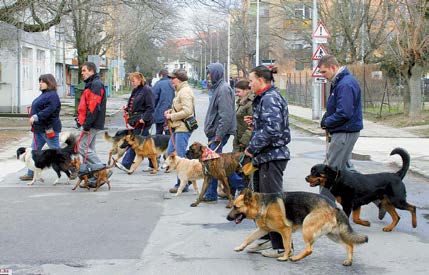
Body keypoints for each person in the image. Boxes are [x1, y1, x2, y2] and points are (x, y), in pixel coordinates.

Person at [244, 65, 291, 258]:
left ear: (261, 81)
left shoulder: (270, 98)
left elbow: (272, 131)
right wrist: (255, 124)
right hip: (265, 157)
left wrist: (251, 148)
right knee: (264, 202)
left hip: (272, 156)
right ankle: (268, 239)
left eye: (251, 80)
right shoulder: (265, 97)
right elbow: (269, 125)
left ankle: (282, 247)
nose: (249, 84)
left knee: (273, 204)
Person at [319, 55, 363, 195]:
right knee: (346, 169)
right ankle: (377, 197)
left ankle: (324, 207)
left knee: (329, 171)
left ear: (333, 67)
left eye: (324, 72)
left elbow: (344, 113)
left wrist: (327, 122)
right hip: (345, 131)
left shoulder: (345, 84)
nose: (323, 76)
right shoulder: (340, 82)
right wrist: (328, 116)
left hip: (344, 132)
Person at [202, 62, 236, 202]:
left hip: (218, 134)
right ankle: (211, 194)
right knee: (213, 164)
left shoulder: (223, 89)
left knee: (214, 164)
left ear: (216, 73)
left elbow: (226, 115)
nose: (208, 76)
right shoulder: (218, 88)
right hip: (215, 132)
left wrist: (219, 135)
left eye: (210, 73)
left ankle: (239, 186)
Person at [19, 74, 62, 181]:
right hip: (39, 129)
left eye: (42, 82)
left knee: (57, 152)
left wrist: (36, 116)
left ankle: (72, 169)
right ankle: (30, 173)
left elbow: (49, 110)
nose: (40, 84)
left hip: (48, 129)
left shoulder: (52, 95)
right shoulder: (45, 94)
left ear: (49, 83)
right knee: (33, 151)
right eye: (40, 81)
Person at [76, 62, 110, 185]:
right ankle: (95, 174)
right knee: (89, 149)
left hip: (92, 124)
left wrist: (86, 125)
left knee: (82, 147)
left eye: (84, 70)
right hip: (92, 123)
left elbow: (93, 107)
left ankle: (101, 170)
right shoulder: (92, 84)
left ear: (91, 71)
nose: (82, 73)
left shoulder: (95, 85)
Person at [164, 68, 196, 193]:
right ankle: (184, 181)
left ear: (179, 79)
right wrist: (170, 112)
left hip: (182, 128)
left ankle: (182, 184)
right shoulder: (180, 91)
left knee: (179, 157)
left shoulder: (184, 92)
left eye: (173, 78)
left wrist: (171, 116)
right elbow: (180, 108)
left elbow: (188, 111)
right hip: (177, 127)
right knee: (170, 152)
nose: (171, 80)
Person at [116, 72, 154, 171]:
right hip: (135, 119)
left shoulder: (147, 90)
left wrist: (144, 118)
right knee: (146, 143)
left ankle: (126, 164)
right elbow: (133, 104)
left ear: (140, 79)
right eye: (131, 81)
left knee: (134, 141)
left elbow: (150, 107)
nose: (132, 83)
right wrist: (127, 108)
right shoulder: (135, 90)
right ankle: (153, 164)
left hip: (143, 122)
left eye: (133, 81)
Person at [152, 68, 175, 135]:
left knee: (158, 134)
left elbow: (153, 99)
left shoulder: (158, 84)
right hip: (172, 114)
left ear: (161, 75)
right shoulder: (173, 83)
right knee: (170, 135)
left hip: (160, 113)